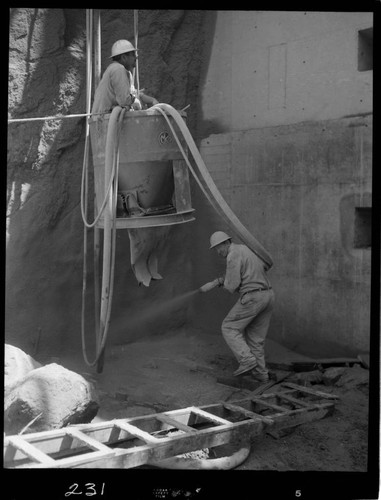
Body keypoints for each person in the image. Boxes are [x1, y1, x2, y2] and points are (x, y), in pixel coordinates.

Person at [200, 231, 274, 382]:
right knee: (255, 339)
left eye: (217, 248)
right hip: (268, 295)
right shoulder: (246, 249)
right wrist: (217, 282)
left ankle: (246, 360)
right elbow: (262, 266)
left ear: (226, 243)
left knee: (229, 327)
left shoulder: (232, 254)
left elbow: (232, 285)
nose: (217, 252)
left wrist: (218, 283)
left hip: (253, 297)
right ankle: (261, 374)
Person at [91, 39, 159, 115]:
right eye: (133, 54)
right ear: (124, 57)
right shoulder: (118, 69)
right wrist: (136, 102)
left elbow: (132, 94)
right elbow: (124, 100)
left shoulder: (124, 72)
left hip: (105, 119)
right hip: (103, 120)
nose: (136, 57)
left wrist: (151, 100)